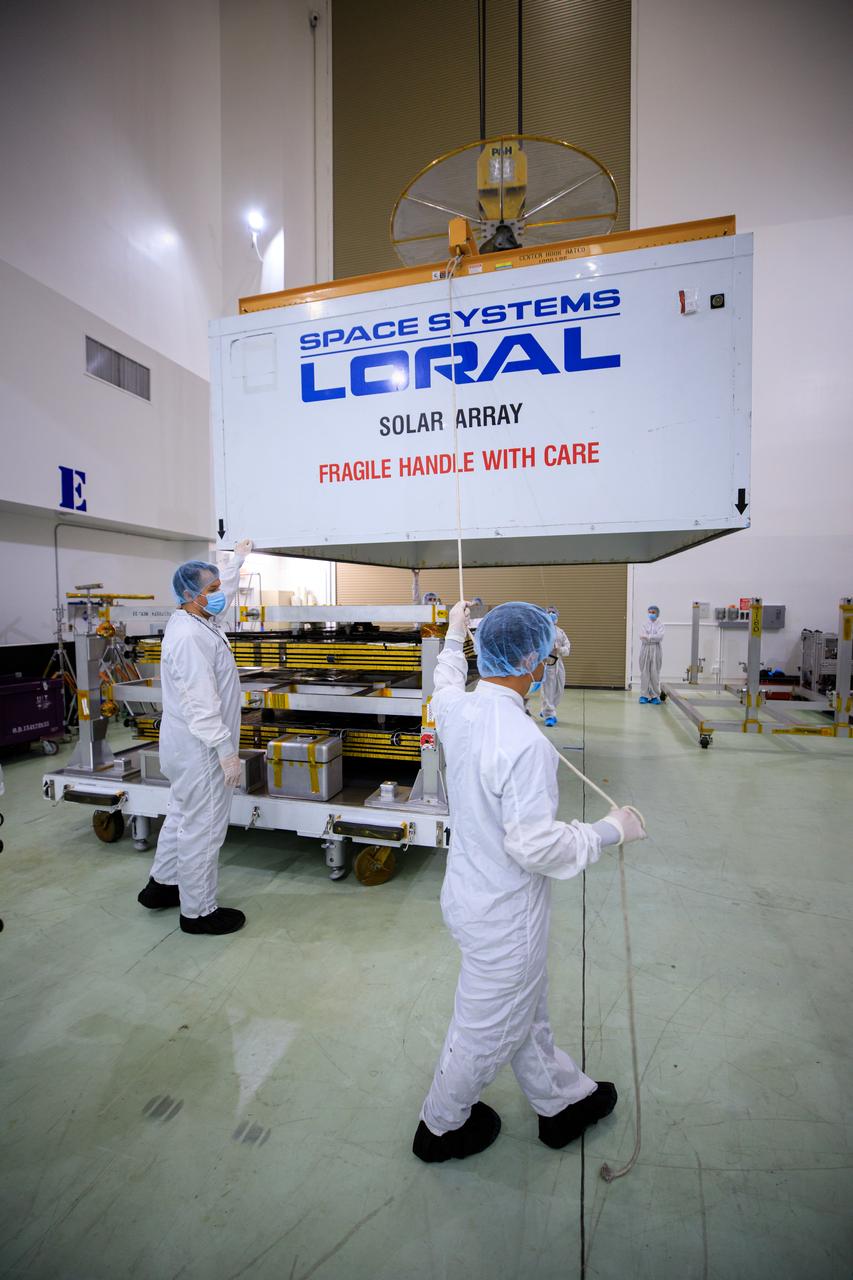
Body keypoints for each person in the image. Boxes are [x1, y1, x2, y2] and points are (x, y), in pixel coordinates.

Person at [412, 601, 646, 1163]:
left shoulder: (455, 707)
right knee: (486, 1026)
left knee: (525, 1008)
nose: (547, 662)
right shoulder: (524, 743)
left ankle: (562, 1102)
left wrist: (452, 636)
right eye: (545, 653)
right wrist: (610, 832)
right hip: (505, 912)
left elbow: (444, 677)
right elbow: (536, 845)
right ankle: (439, 1128)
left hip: (470, 892)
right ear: (532, 662)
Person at [136, 539, 253, 935]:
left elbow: (225, 594)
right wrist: (225, 751)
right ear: (192, 596)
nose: (220, 596)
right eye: (212, 590)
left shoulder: (198, 620)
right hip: (201, 749)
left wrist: (235, 562)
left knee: (182, 815)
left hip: (187, 745)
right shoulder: (189, 638)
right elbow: (202, 703)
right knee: (205, 827)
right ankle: (198, 912)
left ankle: (163, 885)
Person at [539, 606, 571, 727]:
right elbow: (537, 647)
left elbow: (567, 648)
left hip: (559, 664)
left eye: (554, 612)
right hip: (547, 663)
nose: (552, 614)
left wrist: (559, 649)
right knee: (548, 690)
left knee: (559, 689)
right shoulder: (542, 632)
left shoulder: (560, 632)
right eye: (549, 612)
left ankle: (548, 709)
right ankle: (549, 715)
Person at [639, 605, 665, 704]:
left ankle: (654, 696)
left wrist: (648, 636)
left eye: (653, 612)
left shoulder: (661, 625)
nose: (651, 614)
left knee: (655, 673)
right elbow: (641, 636)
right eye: (649, 612)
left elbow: (660, 637)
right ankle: (644, 696)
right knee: (644, 672)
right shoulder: (644, 624)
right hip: (645, 649)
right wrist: (652, 637)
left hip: (656, 649)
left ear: (657, 613)